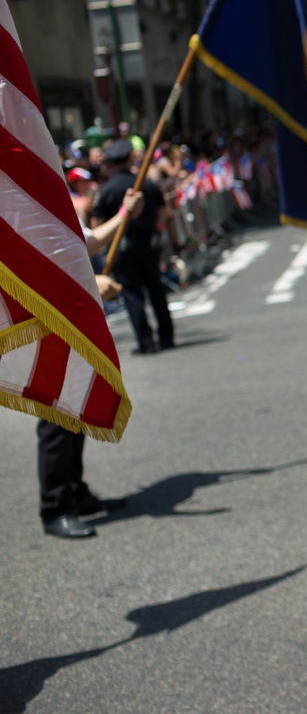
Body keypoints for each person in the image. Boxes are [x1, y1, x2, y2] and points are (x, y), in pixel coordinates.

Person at [38, 189, 144, 539]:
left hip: (73, 323)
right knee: (57, 417)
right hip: (45, 326)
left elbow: (83, 243)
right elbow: (31, 272)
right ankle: (55, 507)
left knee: (75, 411)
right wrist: (88, 285)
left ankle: (74, 491)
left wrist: (123, 214)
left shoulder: (43, 195)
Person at [91, 138, 174, 355]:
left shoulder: (107, 190)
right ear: (130, 158)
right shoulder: (148, 185)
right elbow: (163, 213)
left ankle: (146, 342)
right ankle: (167, 337)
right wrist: (151, 227)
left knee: (132, 294)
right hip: (147, 242)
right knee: (156, 289)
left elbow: (96, 225)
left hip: (121, 248)